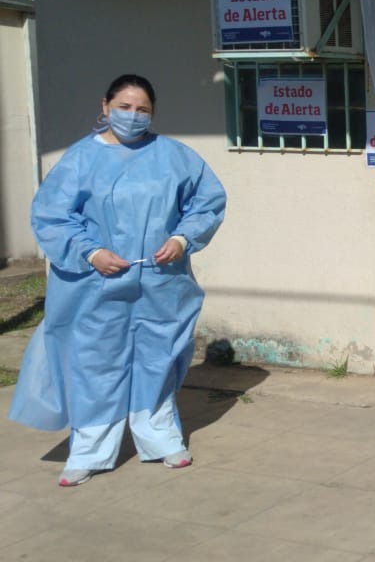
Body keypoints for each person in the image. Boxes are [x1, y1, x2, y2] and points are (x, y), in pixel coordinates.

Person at [9, 74, 227, 487]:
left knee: (157, 359)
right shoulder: (79, 159)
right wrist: (91, 251)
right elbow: (52, 215)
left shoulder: (175, 157)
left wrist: (182, 239)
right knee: (95, 364)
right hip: (96, 285)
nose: (133, 115)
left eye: (142, 109)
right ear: (105, 106)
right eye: (124, 107)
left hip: (160, 283)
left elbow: (206, 203)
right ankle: (89, 451)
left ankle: (161, 439)